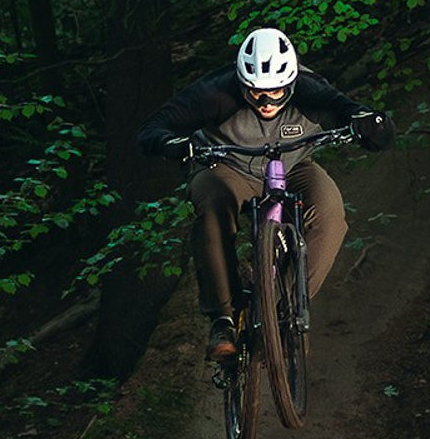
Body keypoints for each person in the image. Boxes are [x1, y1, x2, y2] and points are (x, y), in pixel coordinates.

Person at [135, 25, 392, 363]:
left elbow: (364, 121)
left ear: (292, 82)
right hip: (226, 165)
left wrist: (370, 124)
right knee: (213, 207)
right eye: (255, 92)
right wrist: (173, 144)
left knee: (329, 212)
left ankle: (284, 311)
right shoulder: (216, 92)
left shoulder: (311, 90)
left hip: (293, 165)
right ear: (241, 83)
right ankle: (223, 320)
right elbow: (152, 129)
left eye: (276, 91)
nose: (266, 100)